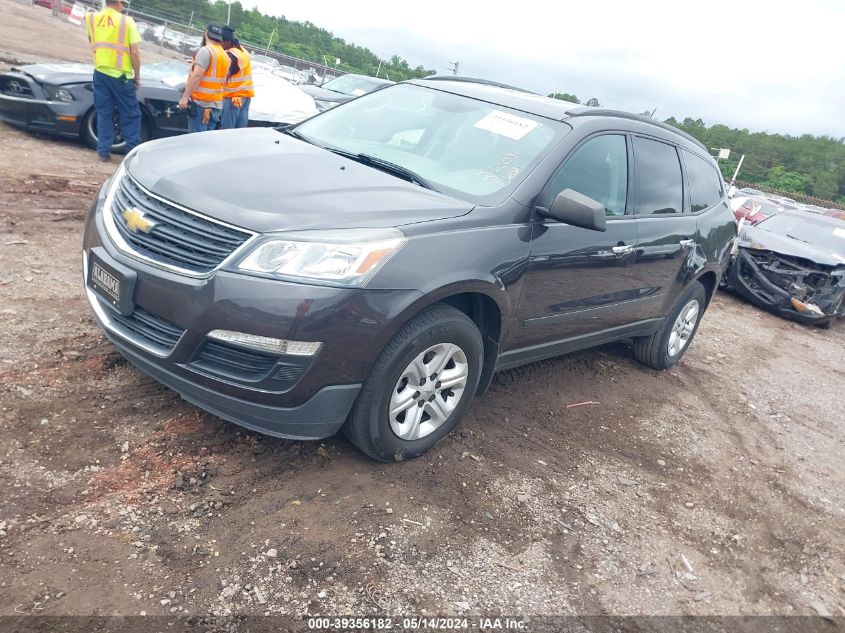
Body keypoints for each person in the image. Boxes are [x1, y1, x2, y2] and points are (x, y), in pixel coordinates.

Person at [85, 0, 143, 162]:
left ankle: (103, 152)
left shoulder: (91, 18)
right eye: (123, 3)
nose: (123, 6)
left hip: (100, 72)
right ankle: (131, 156)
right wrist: (137, 76)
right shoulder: (127, 21)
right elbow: (135, 53)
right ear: (117, 2)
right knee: (131, 115)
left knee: (104, 113)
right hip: (121, 77)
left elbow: (93, 41)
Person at [177, 23, 231, 132]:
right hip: (216, 106)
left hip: (201, 105)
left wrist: (185, 97)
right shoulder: (225, 56)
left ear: (206, 33)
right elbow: (224, 81)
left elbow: (197, 76)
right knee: (205, 142)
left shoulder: (206, 51)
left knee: (195, 143)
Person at [221, 38, 254, 129]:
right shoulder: (244, 52)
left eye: (221, 42)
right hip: (246, 95)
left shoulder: (232, 55)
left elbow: (225, 76)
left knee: (227, 130)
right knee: (239, 130)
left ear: (228, 42)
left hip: (234, 97)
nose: (220, 45)